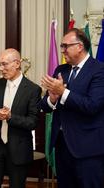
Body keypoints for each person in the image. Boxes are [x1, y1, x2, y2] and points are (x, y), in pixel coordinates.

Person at [40, 28, 104, 188]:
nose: (62, 51)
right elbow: (44, 106)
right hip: (62, 146)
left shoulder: (99, 70)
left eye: (65, 46)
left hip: (88, 149)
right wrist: (52, 99)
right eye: (61, 46)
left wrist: (62, 92)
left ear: (80, 46)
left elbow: (92, 106)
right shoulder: (60, 70)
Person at [0, 48, 42, 188]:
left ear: (16, 63)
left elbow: (33, 122)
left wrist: (10, 117)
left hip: (19, 150)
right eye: (0, 64)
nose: (1, 68)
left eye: (4, 64)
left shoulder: (33, 89)